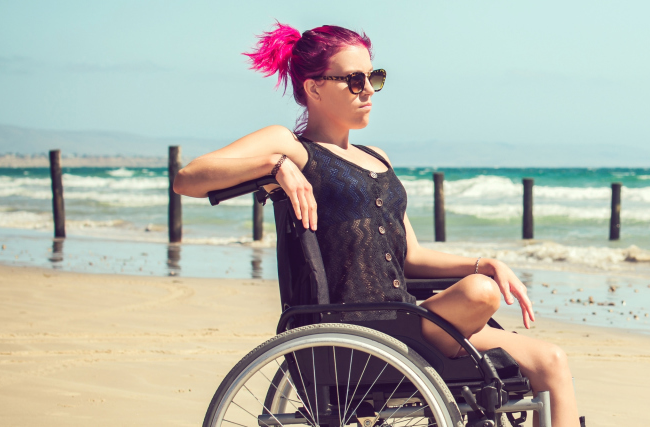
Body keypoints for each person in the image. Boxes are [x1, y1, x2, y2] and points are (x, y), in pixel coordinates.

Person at [173, 22, 580, 426]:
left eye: (374, 77)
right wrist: (275, 164)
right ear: (314, 88)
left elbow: (411, 257)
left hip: (405, 318)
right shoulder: (292, 146)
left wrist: (483, 264)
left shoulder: (378, 157)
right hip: (352, 329)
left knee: (550, 360)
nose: (368, 89)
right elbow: (187, 178)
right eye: (354, 80)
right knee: (480, 294)